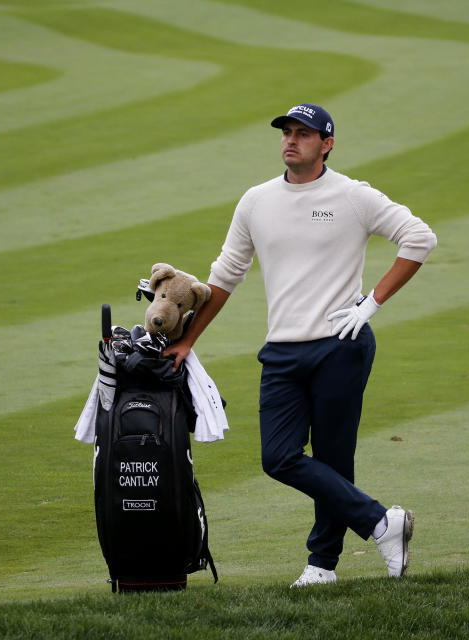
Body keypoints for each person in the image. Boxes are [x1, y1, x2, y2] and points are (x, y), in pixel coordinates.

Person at [164, 103, 437, 587]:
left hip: (341, 344)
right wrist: (186, 340)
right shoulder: (256, 201)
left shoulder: (352, 195)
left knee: (334, 459)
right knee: (279, 457)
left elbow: (418, 237)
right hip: (283, 352)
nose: (291, 140)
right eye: (287, 133)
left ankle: (322, 566)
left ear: (326, 144)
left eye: (303, 134)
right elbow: (225, 276)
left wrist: (371, 303)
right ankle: (381, 522)